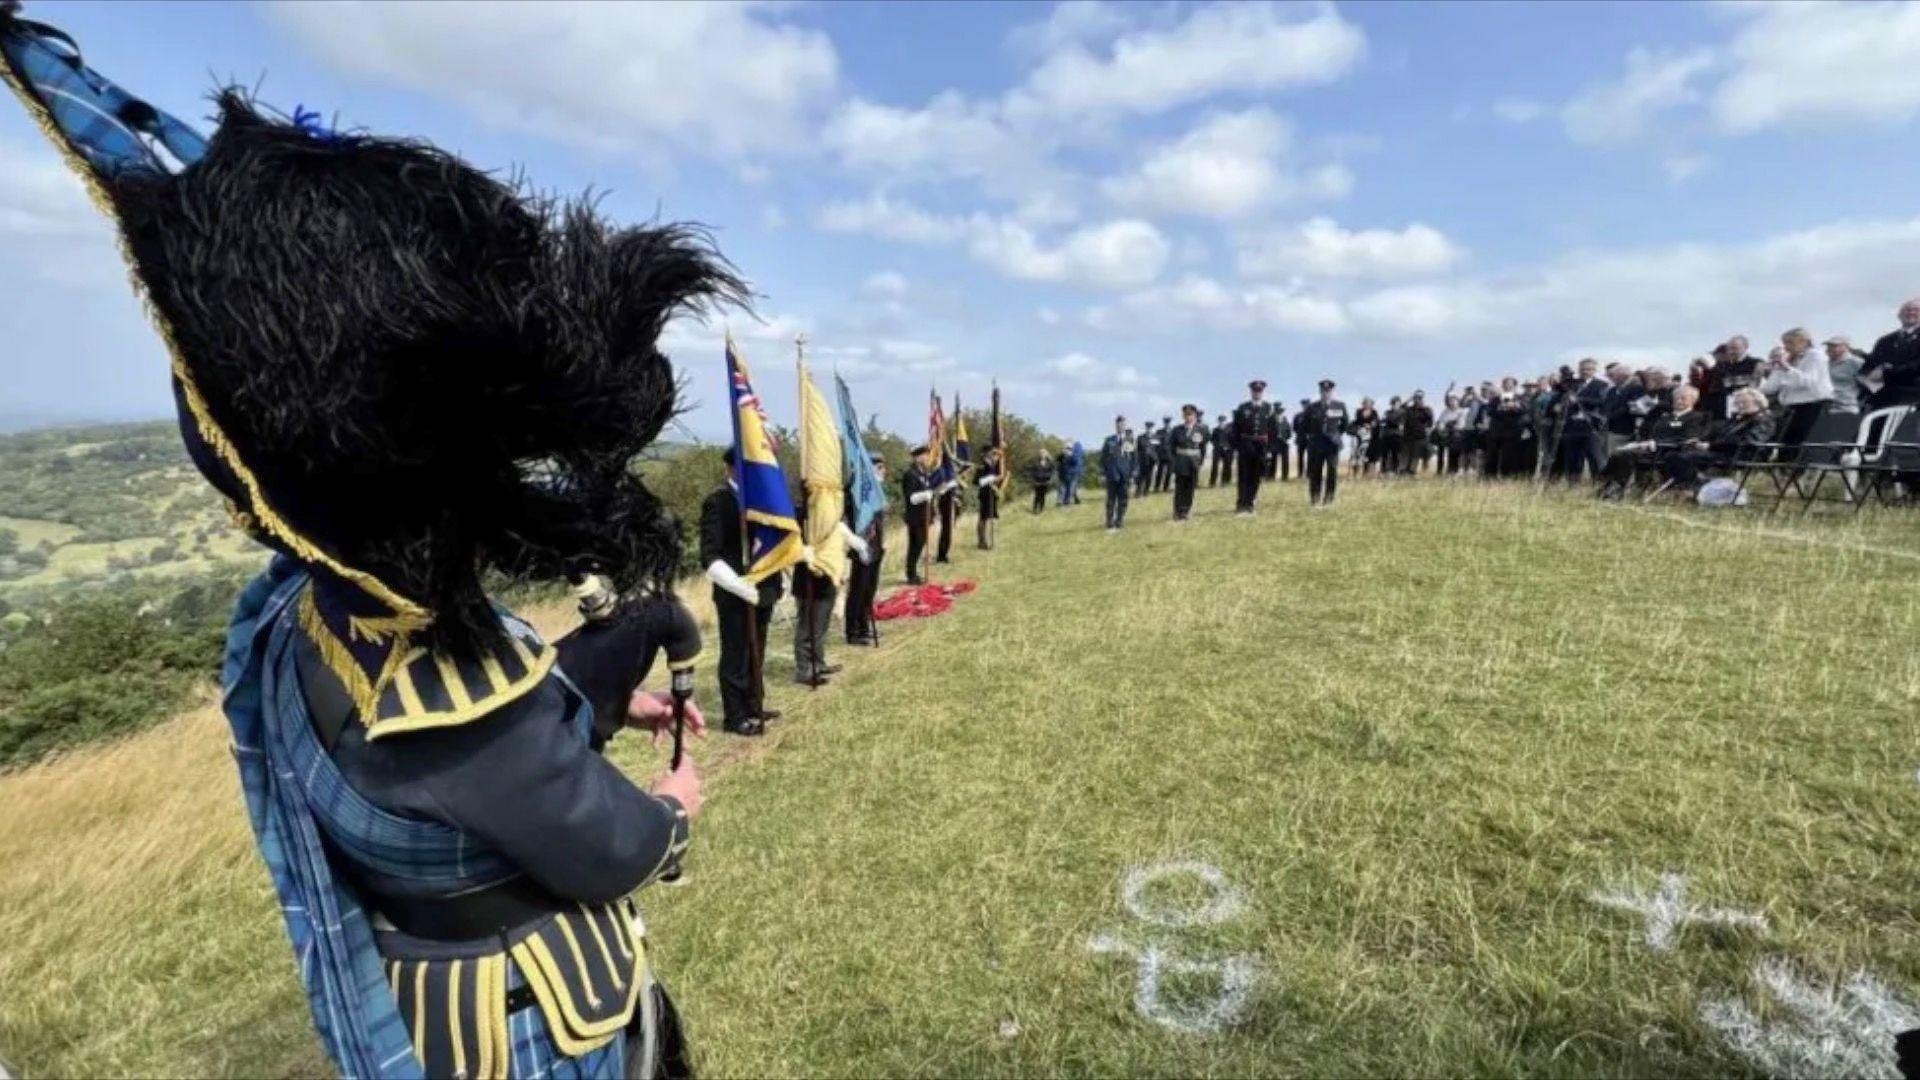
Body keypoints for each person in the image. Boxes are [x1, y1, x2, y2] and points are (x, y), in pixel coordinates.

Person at [9, 69, 729, 1075]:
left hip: (426, 991)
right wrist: (675, 814)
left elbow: (506, 718)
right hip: (530, 1021)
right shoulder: (450, 702)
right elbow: (601, 842)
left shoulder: (299, 615)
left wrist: (602, 693)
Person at [703, 456, 787, 730]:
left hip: (763, 587)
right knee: (735, 652)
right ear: (730, 468)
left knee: (756, 649)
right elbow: (709, 555)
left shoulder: (761, 500)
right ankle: (735, 715)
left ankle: (754, 702)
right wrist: (739, 585)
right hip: (734, 592)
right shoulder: (719, 502)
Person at [1598, 384, 1708, 498]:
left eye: (1683, 398)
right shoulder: (1665, 417)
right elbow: (1654, 434)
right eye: (1676, 398)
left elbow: (1688, 438)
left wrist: (1657, 443)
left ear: (1693, 401)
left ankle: (1614, 485)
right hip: (1652, 449)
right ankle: (1611, 484)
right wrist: (1643, 443)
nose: (1678, 401)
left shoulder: (1697, 417)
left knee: (1624, 454)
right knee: (1620, 452)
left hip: (1671, 452)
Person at [1665, 388, 1777, 490]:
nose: (1740, 405)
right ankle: (1698, 483)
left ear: (1757, 402)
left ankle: (1701, 484)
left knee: (1681, 457)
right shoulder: (1738, 419)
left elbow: (1748, 441)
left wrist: (1711, 446)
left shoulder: (1764, 420)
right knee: (1673, 454)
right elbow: (1720, 436)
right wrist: (1701, 442)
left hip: (1745, 454)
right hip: (1725, 451)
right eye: (1737, 403)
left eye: (1744, 402)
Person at [1761, 327, 1834, 446]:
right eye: (1784, 344)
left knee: (1802, 443)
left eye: (1790, 343)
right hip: (1791, 406)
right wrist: (1777, 369)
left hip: (1813, 405)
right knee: (1786, 442)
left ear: (1804, 341)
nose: (1786, 347)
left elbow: (1808, 381)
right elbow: (1770, 388)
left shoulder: (1815, 356)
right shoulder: (1791, 359)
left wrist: (1787, 368)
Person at [844, 455, 887, 646]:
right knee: (858, 590)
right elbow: (851, 514)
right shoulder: (855, 490)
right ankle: (852, 631)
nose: (883, 471)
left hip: (876, 545)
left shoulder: (875, 491)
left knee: (869, 589)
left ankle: (864, 626)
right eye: (878, 467)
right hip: (862, 545)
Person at [1556, 358, 1609, 483]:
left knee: (1595, 457)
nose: (1585, 372)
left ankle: (1599, 484)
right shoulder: (1573, 384)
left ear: (1594, 370)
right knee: (1573, 457)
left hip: (1590, 426)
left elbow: (1602, 402)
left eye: (1589, 369)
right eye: (1583, 369)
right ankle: (1572, 485)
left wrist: (1580, 400)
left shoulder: (1601, 385)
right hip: (1572, 426)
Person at [1231, 380, 1278, 515]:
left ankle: (1250, 503)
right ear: (1251, 392)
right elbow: (1235, 429)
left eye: (1259, 391)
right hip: (1246, 445)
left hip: (1261, 446)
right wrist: (1236, 447)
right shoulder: (1243, 408)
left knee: (1256, 476)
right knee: (1244, 475)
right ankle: (1241, 505)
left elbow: (1273, 431)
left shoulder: (1269, 409)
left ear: (1262, 392)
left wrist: (1270, 450)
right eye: (1255, 391)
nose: (1257, 393)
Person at [1863, 297, 1920, 406]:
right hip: (1882, 397)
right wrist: (1868, 374)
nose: (1911, 313)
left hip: (1913, 397)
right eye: (1907, 310)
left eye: (1916, 310)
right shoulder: (1885, 340)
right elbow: (1870, 363)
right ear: (1899, 315)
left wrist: (1891, 370)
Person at [1302, 379, 1350, 507]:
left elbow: (1345, 424)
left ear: (1332, 392)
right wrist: (1313, 437)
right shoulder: (1312, 407)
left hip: (1332, 445)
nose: (1326, 393)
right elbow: (1304, 425)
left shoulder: (1340, 406)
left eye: (1328, 391)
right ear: (1320, 391)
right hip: (1316, 445)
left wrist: (1335, 435)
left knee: (1332, 472)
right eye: (1323, 391)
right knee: (1315, 472)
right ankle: (1315, 499)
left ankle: (1329, 500)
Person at [901, 444, 939, 584]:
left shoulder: (923, 473)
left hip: (924, 515)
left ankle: (913, 573)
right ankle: (911, 575)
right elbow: (910, 498)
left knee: (920, 544)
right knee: (915, 545)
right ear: (917, 457)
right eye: (924, 455)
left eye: (927, 454)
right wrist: (926, 494)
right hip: (915, 517)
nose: (927, 457)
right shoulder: (910, 474)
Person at [1168, 404, 1209, 521]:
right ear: (1183, 416)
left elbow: (1203, 447)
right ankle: (1177, 511)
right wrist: (1174, 461)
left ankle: (1186, 510)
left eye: (1190, 415)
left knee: (1190, 488)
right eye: (1186, 415)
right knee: (1180, 488)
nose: (1188, 417)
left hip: (1193, 463)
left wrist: (1200, 461)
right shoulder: (1177, 430)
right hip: (1181, 462)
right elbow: (1171, 447)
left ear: (1195, 416)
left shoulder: (1202, 430)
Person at [1600, 362, 1644, 466]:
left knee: (1624, 459)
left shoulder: (1636, 389)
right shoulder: (1612, 390)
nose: (1610, 378)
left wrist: (1612, 415)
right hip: (1612, 429)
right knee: (1611, 458)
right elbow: (1606, 406)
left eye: (1612, 376)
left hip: (1627, 430)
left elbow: (1631, 408)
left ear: (1622, 376)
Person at [1102, 416, 1136, 531]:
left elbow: (1133, 459)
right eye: (1118, 424)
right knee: (1111, 499)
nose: (1120, 426)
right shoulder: (1109, 440)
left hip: (1125, 474)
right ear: (1115, 426)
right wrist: (1102, 473)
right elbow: (1103, 458)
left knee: (1123, 499)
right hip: (1112, 474)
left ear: (1125, 426)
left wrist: (1133, 474)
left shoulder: (1129, 440)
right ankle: (1109, 520)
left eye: (1122, 424)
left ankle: (1120, 520)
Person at [1826, 334, 1865, 414]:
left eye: (1834, 346)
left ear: (1846, 347)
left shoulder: (1856, 363)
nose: (1830, 349)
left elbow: (1873, 385)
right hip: (1827, 406)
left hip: (1845, 409)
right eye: (1829, 346)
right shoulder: (1826, 363)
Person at [1401, 391, 1435, 475]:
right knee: (1407, 454)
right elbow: (1401, 407)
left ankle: (1413, 471)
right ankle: (1405, 470)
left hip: (1420, 436)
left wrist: (1426, 429)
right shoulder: (1409, 409)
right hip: (1408, 435)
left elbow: (1430, 423)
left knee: (1416, 455)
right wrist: (1410, 398)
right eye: (1416, 398)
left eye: (1420, 398)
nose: (1418, 400)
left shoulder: (1427, 409)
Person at [976, 446, 1004, 547]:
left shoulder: (991, 464)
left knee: (986, 518)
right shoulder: (983, 465)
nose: (996, 458)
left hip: (990, 494)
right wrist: (993, 478)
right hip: (984, 494)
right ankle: (981, 541)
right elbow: (977, 481)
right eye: (995, 455)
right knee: (982, 518)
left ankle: (984, 540)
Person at [1435, 393, 1465, 474]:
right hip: (1444, 435)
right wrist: (1441, 427)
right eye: (1450, 400)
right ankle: (1439, 471)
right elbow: (1440, 422)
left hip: (1456, 436)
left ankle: (1452, 471)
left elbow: (1460, 425)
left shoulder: (1461, 411)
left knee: (1453, 455)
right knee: (1440, 454)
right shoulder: (1445, 411)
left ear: (1458, 402)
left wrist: (1448, 425)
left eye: (1454, 400)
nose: (1452, 402)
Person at [1351, 397, 1378, 476]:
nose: (1368, 405)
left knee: (1367, 455)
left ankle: (1366, 472)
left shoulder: (1374, 412)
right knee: (1357, 454)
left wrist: (1371, 425)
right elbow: (1358, 420)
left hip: (1370, 436)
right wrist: (1364, 423)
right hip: (1359, 435)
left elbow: (1376, 421)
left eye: (1369, 403)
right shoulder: (1359, 411)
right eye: (1366, 403)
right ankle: (1355, 472)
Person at [1209, 413, 1235, 487]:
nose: (1221, 422)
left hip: (1227, 450)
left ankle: (1225, 481)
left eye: (1223, 421)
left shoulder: (1229, 430)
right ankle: (1212, 482)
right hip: (1217, 450)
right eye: (1220, 421)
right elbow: (1212, 439)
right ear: (1218, 421)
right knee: (1215, 466)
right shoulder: (1215, 430)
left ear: (1225, 421)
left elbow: (1232, 440)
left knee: (1227, 466)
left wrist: (1228, 446)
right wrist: (1217, 445)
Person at [1027, 447, 1054, 514]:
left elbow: (1052, 471)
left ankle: (1041, 509)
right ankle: (1035, 509)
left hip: (1045, 482)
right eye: (1041, 453)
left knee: (1042, 496)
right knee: (1037, 495)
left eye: (1043, 453)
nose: (1042, 454)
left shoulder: (1050, 462)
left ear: (1046, 454)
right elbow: (1032, 471)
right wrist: (1033, 479)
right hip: (1037, 481)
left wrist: (1049, 478)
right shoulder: (1036, 462)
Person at [1269, 407, 1293, 481]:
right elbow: (1268, 433)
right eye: (1277, 413)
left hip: (1284, 443)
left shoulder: (1286, 422)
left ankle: (1285, 477)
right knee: (1273, 460)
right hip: (1274, 443)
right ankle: (1272, 476)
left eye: (1280, 413)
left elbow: (1289, 433)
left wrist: (1286, 439)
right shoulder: (1271, 422)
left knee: (1285, 460)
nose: (1279, 414)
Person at [1135, 422, 1157, 498]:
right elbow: (1138, 450)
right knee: (1141, 477)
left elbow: (1157, 450)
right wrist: (1137, 461)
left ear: (1152, 429)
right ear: (1146, 428)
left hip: (1152, 461)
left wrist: (1156, 461)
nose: (1149, 430)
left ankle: (1146, 492)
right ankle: (1138, 493)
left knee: (1149, 477)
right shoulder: (1140, 437)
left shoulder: (1156, 438)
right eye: (1148, 428)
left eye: (1150, 428)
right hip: (1143, 461)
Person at [1153, 415, 1175, 492]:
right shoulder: (1159, 432)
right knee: (1159, 472)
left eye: (1168, 423)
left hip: (1170, 456)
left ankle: (1165, 488)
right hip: (1161, 456)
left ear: (1170, 423)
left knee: (1169, 473)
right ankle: (1156, 487)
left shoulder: (1173, 432)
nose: (1167, 424)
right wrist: (1156, 455)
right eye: (1166, 423)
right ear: (1164, 423)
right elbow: (1154, 444)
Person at [1293, 399, 1312, 478]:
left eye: (1307, 405)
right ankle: (1300, 473)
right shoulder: (1297, 416)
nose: (1305, 407)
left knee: (1310, 457)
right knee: (1300, 457)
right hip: (1300, 439)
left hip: (1310, 440)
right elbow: (1295, 428)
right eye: (1304, 405)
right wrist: (1300, 434)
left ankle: (1309, 473)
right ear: (1302, 406)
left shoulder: (1313, 415)